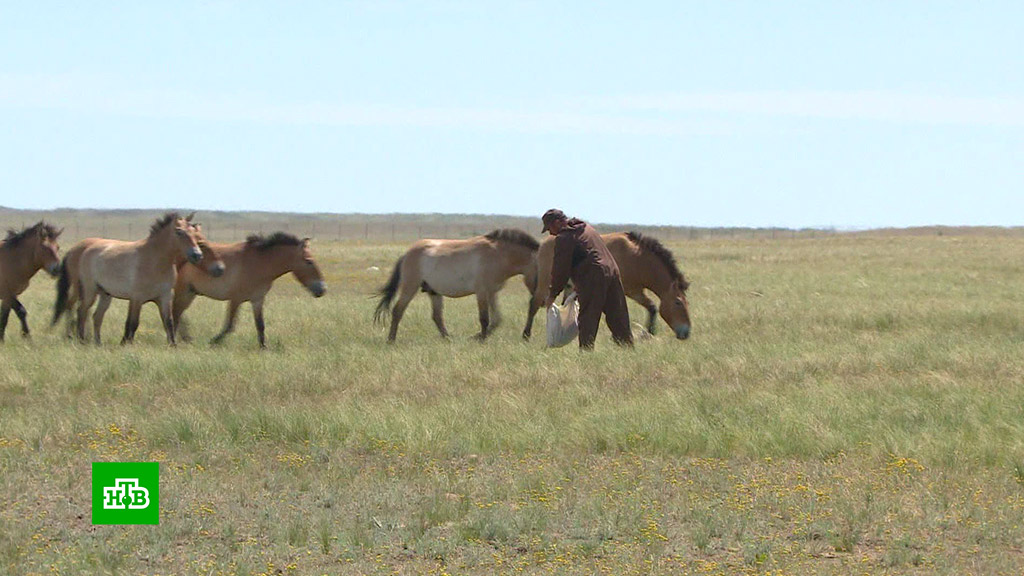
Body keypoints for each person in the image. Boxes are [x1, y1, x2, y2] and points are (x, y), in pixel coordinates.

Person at [542, 209, 633, 349]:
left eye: (550, 228)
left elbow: (560, 270)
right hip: (612, 271)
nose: (551, 233)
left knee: (588, 317)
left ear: (558, 223)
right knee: (618, 315)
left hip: (593, 275)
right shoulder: (586, 227)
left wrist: (552, 294)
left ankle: (586, 352)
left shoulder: (564, 237)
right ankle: (627, 348)